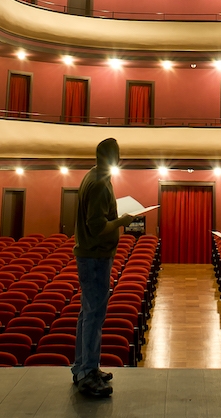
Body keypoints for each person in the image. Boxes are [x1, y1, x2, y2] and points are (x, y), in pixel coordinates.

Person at [72, 137, 138, 398]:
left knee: (87, 313)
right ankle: (88, 373)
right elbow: (98, 227)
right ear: (113, 158)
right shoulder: (99, 184)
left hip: (92, 255)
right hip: (95, 256)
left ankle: (83, 367)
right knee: (94, 315)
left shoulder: (94, 175)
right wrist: (121, 221)